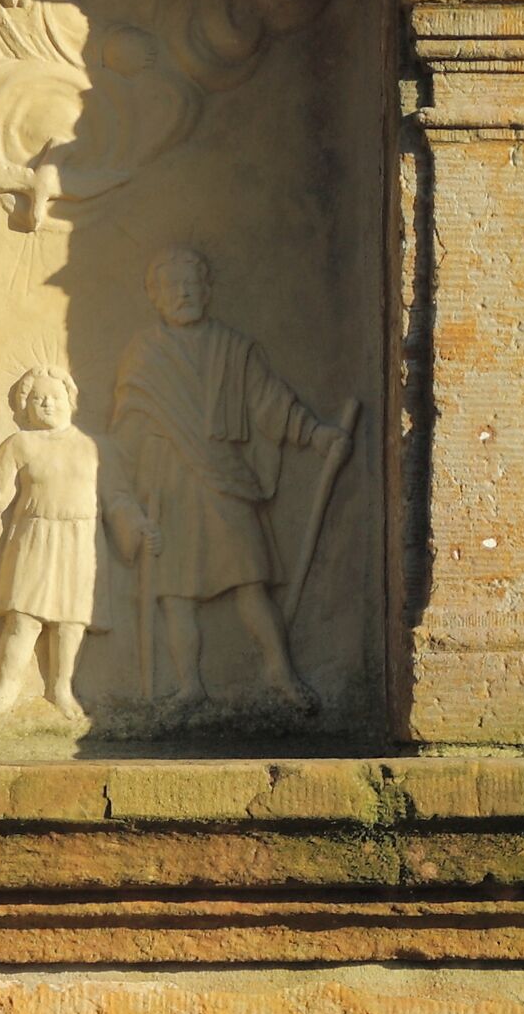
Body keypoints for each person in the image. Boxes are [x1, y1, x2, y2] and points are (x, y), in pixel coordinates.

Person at [110, 244, 354, 710]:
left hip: (225, 479)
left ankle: (279, 670)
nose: (184, 294)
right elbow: (128, 424)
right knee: (176, 594)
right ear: (155, 297)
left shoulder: (233, 349)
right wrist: (127, 484)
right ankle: (189, 686)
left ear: (206, 290)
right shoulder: (144, 354)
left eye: (192, 285)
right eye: (173, 288)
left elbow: (271, 404)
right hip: (170, 485)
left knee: (251, 582)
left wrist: (319, 435)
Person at [0, 368, 106, 723]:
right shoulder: (20, 444)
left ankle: (61, 688)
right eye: (37, 399)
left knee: (70, 621)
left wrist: (137, 527)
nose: (47, 403)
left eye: (54, 397)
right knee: (23, 617)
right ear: (25, 407)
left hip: (79, 539)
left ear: (70, 401)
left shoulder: (91, 446)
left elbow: (115, 495)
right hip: (35, 535)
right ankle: (5, 688)